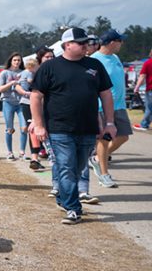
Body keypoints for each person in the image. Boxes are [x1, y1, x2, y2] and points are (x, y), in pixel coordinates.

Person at [30, 28, 114, 225]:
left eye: (87, 42)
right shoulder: (50, 67)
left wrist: (109, 123)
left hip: (87, 127)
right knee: (67, 167)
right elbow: (36, 96)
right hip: (59, 128)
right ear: (67, 45)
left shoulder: (95, 65)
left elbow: (106, 94)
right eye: (81, 42)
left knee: (77, 167)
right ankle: (74, 208)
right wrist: (39, 125)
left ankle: (63, 197)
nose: (86, 45)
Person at [88, 29, 132, 188]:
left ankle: (98, 159)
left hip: (119, 105)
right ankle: (104, 175)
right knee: (104, 140)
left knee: (124, 136)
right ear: (112, 42)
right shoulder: (94, 60)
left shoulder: (115, 57)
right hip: (102, 106)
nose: (122, 43)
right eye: (120, 41)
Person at [14, 57, 44, 171]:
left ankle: (37, 155)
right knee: (33, 128)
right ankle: (36, 155)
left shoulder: (22, 73)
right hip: (29, 101)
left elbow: (17, 80)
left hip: (27, 101)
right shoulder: (31, 74)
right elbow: (31, 83)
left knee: (32, 128)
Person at [0, 52, 27, 160]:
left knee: (24, 128)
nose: (17, 62)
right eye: (15, 60)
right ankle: (9, 152)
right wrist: (11, 83)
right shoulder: (5, 73)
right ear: (10, 61)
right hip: (8, 102)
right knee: (9, 128)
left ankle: (22, 152)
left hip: (21, 103)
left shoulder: (24, 73)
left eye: (19, 60)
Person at [135, 48, 152, 131]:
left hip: (150, 88)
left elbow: (142, 76)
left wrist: (137, 87)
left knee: (149, 108)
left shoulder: (147, 63)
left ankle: (144, 124)